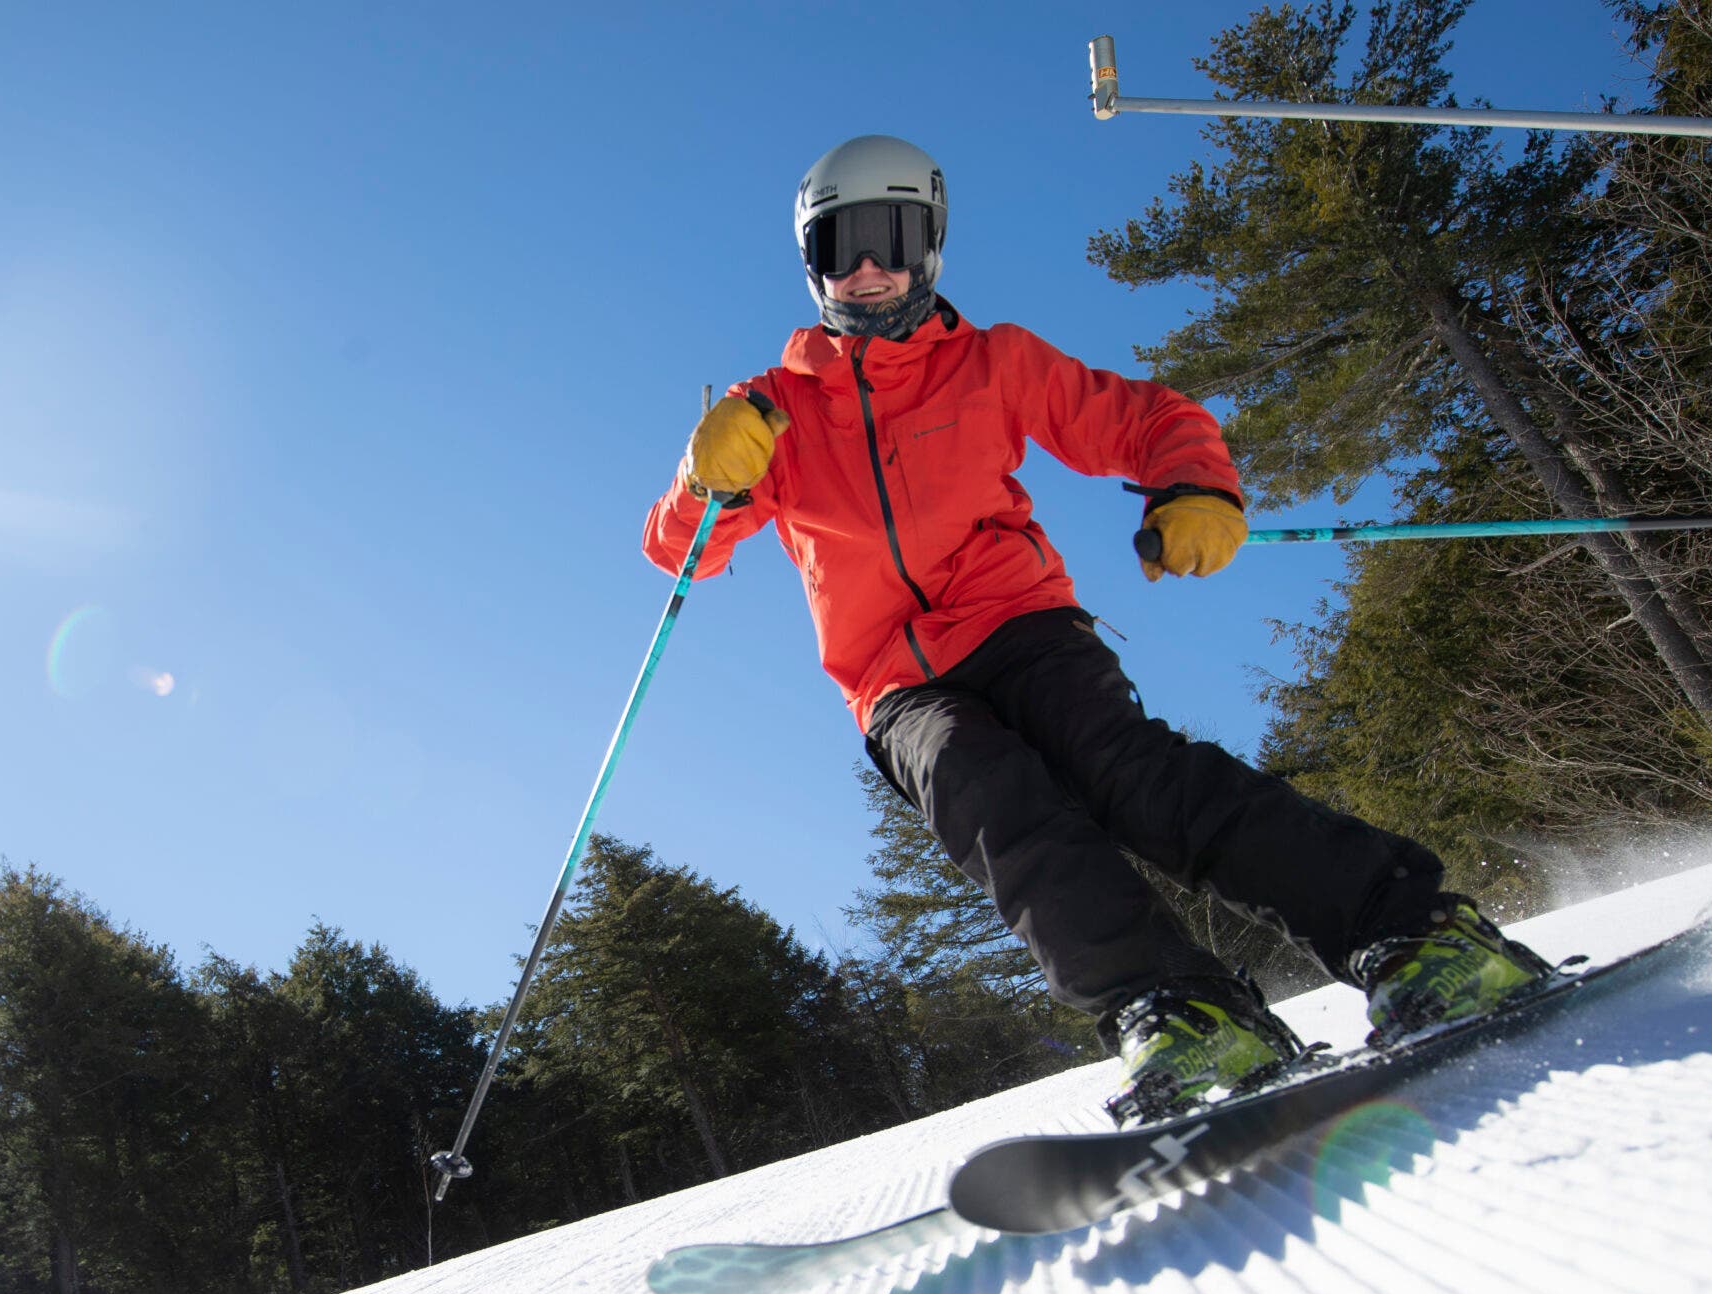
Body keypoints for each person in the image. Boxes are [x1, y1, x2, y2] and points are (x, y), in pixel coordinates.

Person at [642, 135, 1551, 1124]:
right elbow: (679, 549)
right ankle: (1180, 1010)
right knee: (984, 795)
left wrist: (1196, 484)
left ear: (929, 246)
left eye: (889, 236)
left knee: (1127, 774)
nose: (867, 266)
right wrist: (708, 481)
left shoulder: (993, 364)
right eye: (838, 244)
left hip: (1019, 623)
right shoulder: (769, 413)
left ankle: (1412, 932)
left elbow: (1144, 418)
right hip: (894, 681)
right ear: (811, 263)